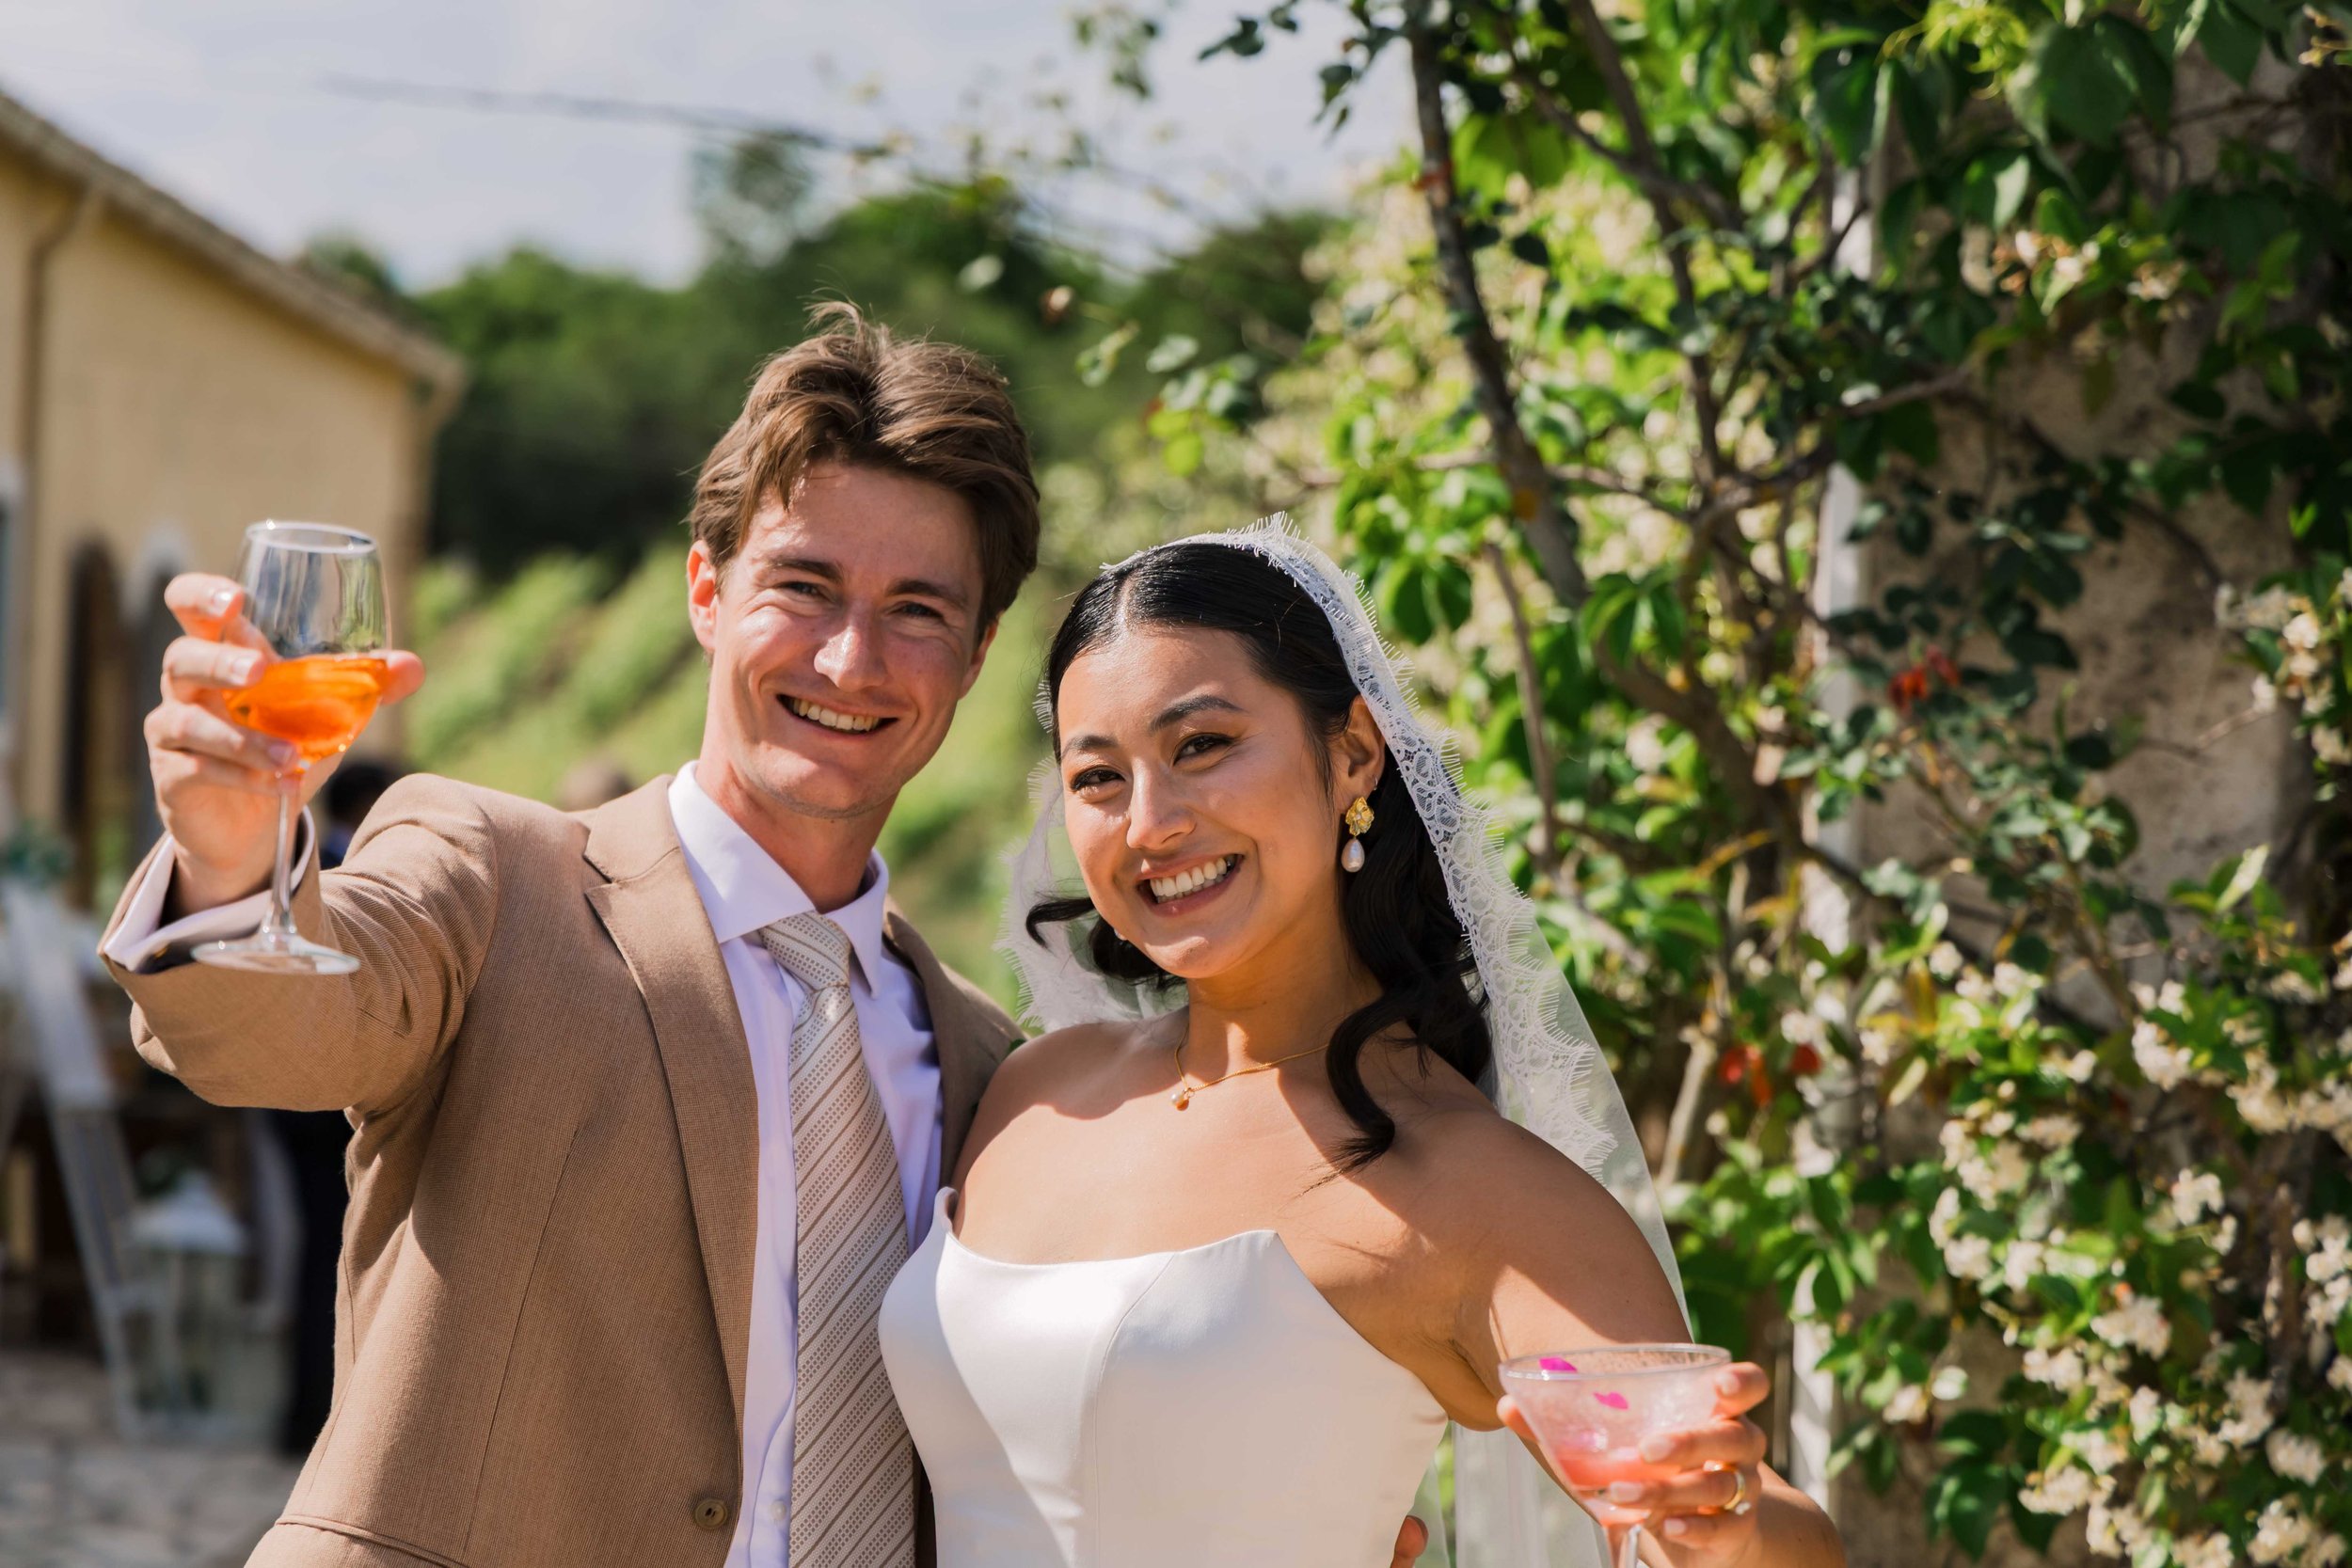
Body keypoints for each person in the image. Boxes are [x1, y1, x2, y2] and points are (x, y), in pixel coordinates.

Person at [97, 308, 1430, 1568]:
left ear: (971, 660)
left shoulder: (993, 1068)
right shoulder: (488, 871)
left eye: (919, 608)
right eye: (804, 585)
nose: (853, 661)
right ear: (705, 592)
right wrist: (232, 856)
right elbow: (278, 1025)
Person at [879, 528, 1849, 1567]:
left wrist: (1725, 1517)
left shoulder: (1468, 1188)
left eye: (1200, 745)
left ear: (1352, 751)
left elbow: (1721, 1518)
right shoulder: (1037, 1087)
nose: (1150, 822)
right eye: (1099, 777)